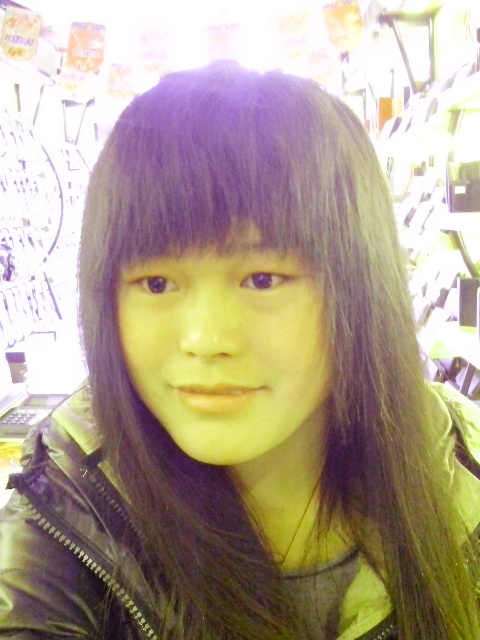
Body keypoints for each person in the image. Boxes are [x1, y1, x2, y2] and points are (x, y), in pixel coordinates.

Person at [0, 61, 479, 640]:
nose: (205, 340)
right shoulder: (67, 509)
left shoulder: (459, 481)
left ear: (362, 284)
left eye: (262, 279)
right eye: (157, 283)